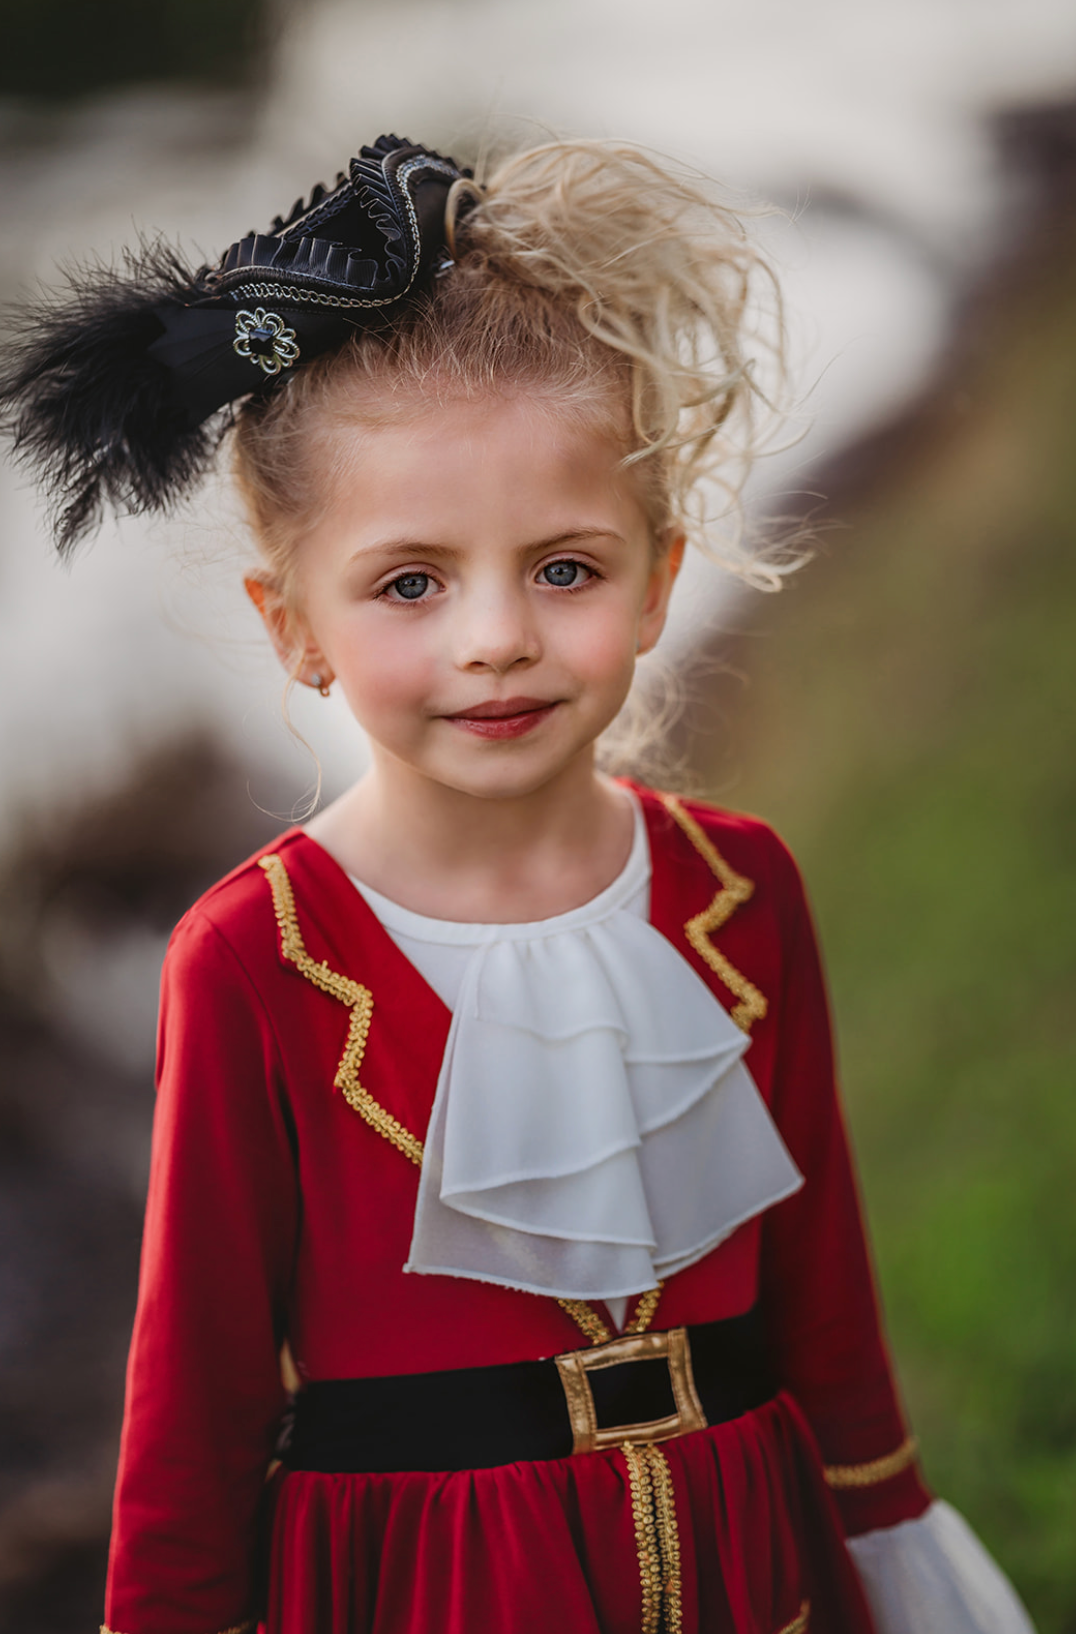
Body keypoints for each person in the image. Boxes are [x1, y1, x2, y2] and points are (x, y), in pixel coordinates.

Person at [1, 134, 1037, 1634]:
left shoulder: (740, 894)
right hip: (426, 1587)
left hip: (754, 1558)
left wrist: (888, 1534)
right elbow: (196, 1405)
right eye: (411, 581)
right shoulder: (256, 954)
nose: (497, 636)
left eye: (566, 567)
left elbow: (826, 1299)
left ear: (661, 579)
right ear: (294, 623)